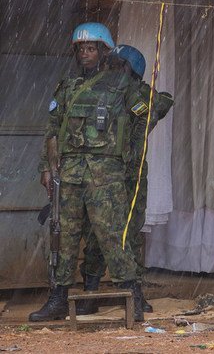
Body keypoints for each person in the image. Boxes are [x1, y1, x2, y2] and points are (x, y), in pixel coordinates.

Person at [29, 23, 147, 322]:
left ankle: (133, 297)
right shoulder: (67, 87)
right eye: (81, 48)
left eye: (92, 48)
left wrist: (128, 152)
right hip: (69, 174)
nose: (85, 53)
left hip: (105, 174)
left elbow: (147, 113)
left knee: (112, 237)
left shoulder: (122, 86)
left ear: (105, 51)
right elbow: (53, 130)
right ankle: (57, 299)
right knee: (63, 237)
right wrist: (46, 168)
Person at [76, 45, 174, 315]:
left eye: (116, 65)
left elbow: (162, 103)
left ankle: (134, 293)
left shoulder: (139, 96)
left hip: (130, 176)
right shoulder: (100, 92)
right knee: (96, 233)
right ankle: (91, 292)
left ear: (128, 70)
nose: (109, 69)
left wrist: (138, 93)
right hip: (103, 173)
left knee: (129, 233)